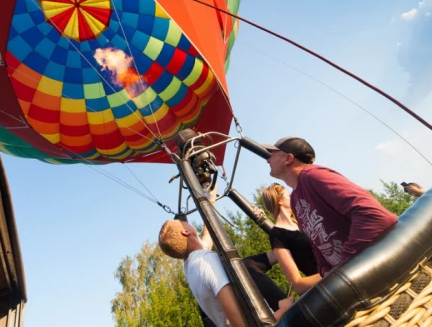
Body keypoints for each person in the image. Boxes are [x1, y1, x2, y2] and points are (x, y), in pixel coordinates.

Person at [262, 137, 397, 277]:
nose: (268, 160)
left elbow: (374, 216)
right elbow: (316, 244)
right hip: (357, 277)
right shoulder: (296, 201)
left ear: (288, 158)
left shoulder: (314, 176)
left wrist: (344, 266)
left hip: (381, 269)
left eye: (272, 154)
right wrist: (325, 270)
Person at [158, 194, 294, 326]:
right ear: (185, 232)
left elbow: (209, 233)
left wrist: (209, 196)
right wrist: (283, 310)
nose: (185, 222)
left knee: (248, 264)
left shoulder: (192, 264)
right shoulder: (208, 264)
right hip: (275, 322)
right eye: (182, 222)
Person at [259, 183, 321, 294]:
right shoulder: (277, 235)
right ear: (280, 201)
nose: (292, 197)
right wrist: (332, 272)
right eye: (288, 195)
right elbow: (297, 284)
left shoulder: (301, 220)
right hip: (331, 282)